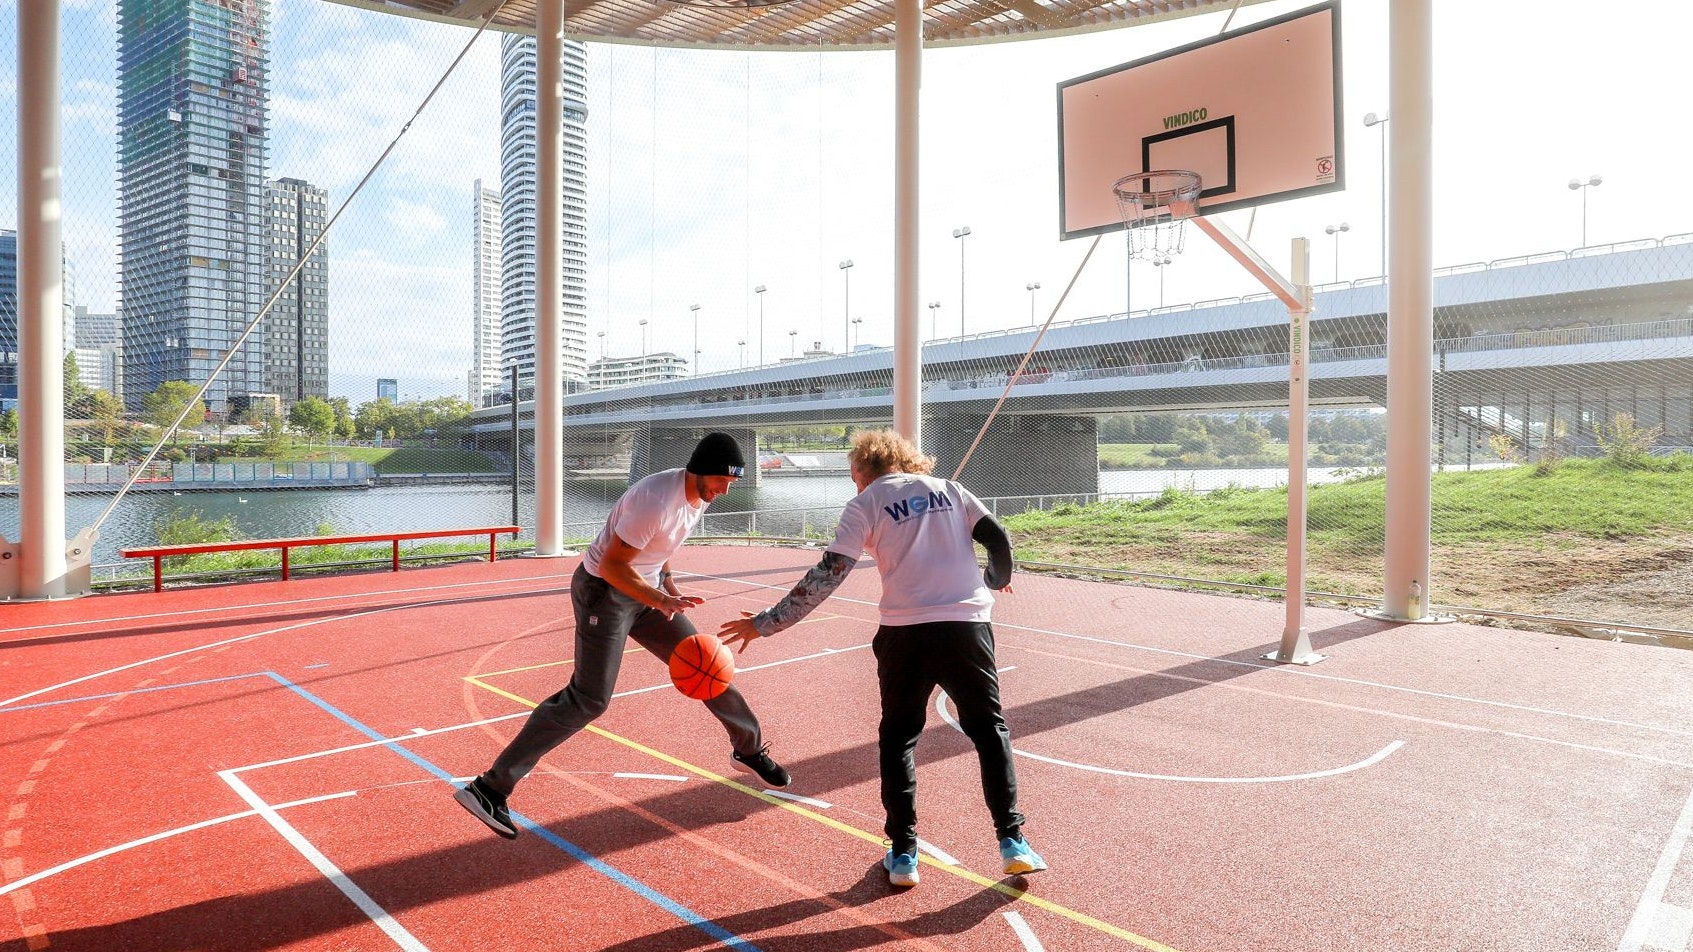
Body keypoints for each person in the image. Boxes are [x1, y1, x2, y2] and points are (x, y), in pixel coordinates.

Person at [719, 429, 1044, 887]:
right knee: (990, 731)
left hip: (905, 633)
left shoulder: (865, 503)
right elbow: (999, 540)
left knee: (898, 739)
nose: (854, 484)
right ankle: (1013, 842)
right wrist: (995, 577)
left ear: (863, 469)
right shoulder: (951, 489)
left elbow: (830, 572)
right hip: (965, 629)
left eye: (853, 475)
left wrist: (768, 621)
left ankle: (904, 853)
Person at [456, 432, 791, 840]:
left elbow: (664, 548)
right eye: (722, 480)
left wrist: (668, 586)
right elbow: (615, 567)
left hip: (647, 592)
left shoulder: (698, 496)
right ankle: (489, 788)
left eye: (730, 483)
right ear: (701, 470)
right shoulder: (654, 499)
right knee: (589, 698)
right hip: (606, 593)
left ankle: (749, 748)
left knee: (709, 666)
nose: (724, 490)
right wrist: (657, 598)